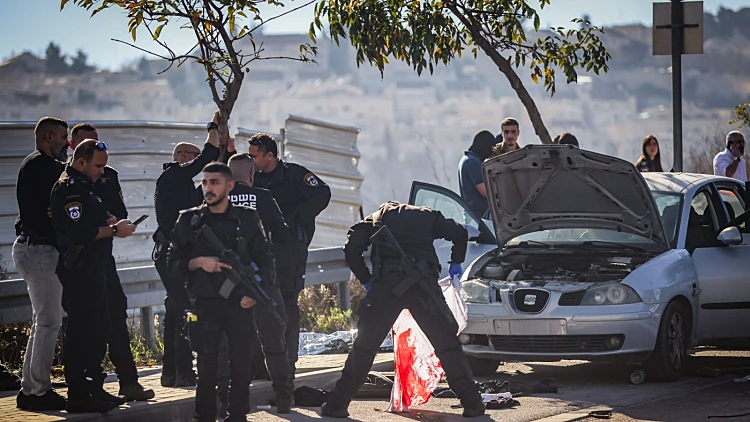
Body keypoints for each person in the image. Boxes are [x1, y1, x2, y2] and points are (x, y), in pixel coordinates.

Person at [320, 200, 485, 418]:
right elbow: (460, 233)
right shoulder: (428, 216)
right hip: (422, 285)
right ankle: (472, 403)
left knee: (364, 348)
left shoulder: (377, 219)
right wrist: (456, 262)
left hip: (387, 286)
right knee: (447, 345)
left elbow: (351, 248)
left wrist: (367, 279)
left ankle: (337, 405)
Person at [167, 162, 275, 422]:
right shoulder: (189, 221)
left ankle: (237, 415)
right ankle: (204, 416)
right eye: (204, 183)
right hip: (205, 304)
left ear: (229, 186)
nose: (208, 188)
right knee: (207, 367)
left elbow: (265, 260)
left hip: (240, 304)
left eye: (214, 182)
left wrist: (255, 293)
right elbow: (172, 264)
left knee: (241, 366)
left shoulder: (247, 218)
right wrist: (200, 263)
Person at [51, 140, 137, 413]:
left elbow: (92, 221)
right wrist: (112, 231)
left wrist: (109, 221)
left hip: (95, 267)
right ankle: (80, 392)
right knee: (84, 331)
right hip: (80, 269)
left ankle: (93, 387)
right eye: (98, 165)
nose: (102, 171)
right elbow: (79, 232)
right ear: (81, 161)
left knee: (99, 327)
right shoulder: (70, 189)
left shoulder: (88, 188)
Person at [69, 124, 154, 402]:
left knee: (116, 316)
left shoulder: (107, 177)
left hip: (103, 257)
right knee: (85, 325)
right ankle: (86, 389)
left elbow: (119, 212)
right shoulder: (67, 182)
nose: (100, 169)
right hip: (78, 261)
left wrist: (109, 220)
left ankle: (128, 381)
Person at [249, 133, 331, 376]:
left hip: (290, 250)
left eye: (255, 155)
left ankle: (288, 360)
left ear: (270, 155)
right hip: (264, 249)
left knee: (286, 302)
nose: (251, 160)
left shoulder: (294, 174)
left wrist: (296, 219)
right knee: (258, 303)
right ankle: (261, 365)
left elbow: (322, 193)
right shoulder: (256, 179)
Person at [153, 112, 221, 387]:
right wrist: (213, 130)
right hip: (171, 255)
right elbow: (208, 157)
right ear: (182, 157)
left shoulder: (186, 188)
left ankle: (172, 372)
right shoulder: (170, 178)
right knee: (183, 311)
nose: (198, 167)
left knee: (176, 311)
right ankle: (182, 371)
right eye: (192, 158)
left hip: (180, 255)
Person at [13, 117, 68, 411]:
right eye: (63, 137)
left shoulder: (32, 165)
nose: (67, 143)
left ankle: (30, 389)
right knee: (48, 322)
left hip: (32, 249)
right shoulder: (44, 168)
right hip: (40, 251)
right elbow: (49, 212)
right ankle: (37, 391)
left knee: (42, 322)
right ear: (49, 136)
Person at [458, 130, 496, 219]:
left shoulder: (467, 159)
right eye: (490, 148)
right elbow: (485, 191)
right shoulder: (473, 162)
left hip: (473, 215)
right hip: (478, 216)